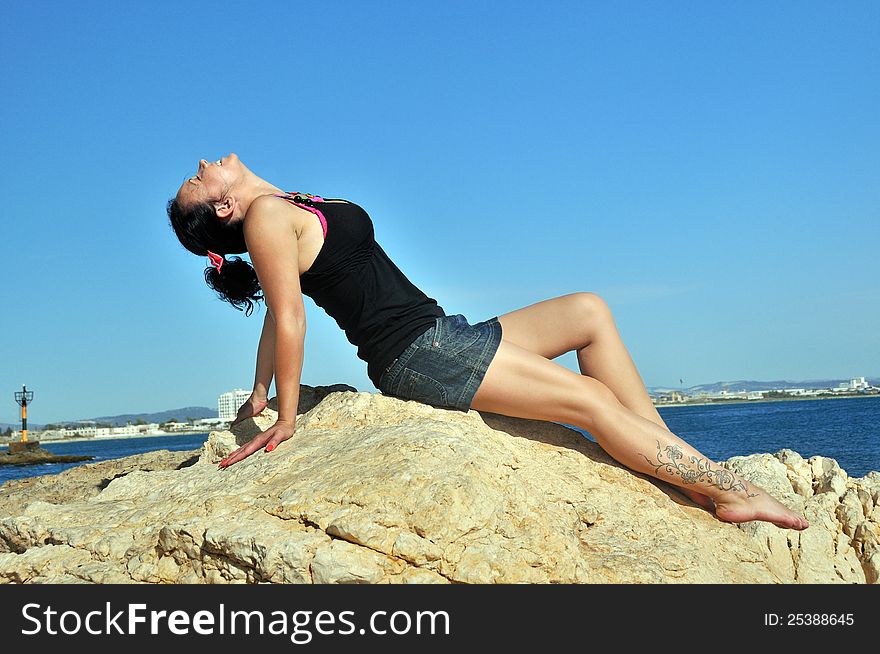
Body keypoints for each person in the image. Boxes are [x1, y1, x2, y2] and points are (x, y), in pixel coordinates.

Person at [167, 153, 809, 531]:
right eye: (195, 182)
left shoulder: (283, 205)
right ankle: (726, 492)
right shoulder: (266, 218)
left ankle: (677, 462)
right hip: (418, 355)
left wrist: (254, 390)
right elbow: (288, 317)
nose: (201, 165)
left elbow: (276, 314)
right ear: (223, 210)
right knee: (590, 399)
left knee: (589, 311)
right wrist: (282, 414)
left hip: (445, 332)